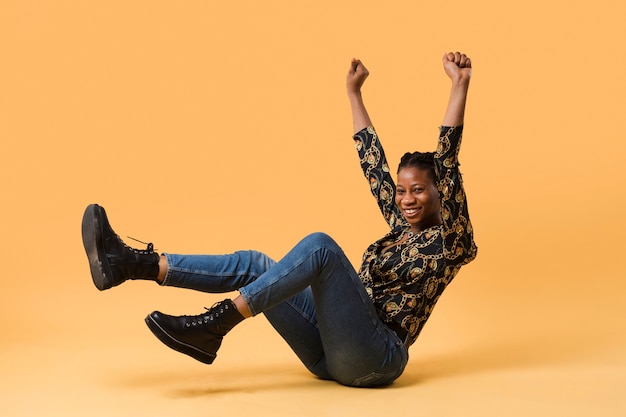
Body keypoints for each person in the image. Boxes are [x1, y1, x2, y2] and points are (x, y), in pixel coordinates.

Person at [81, 52, 477, 388]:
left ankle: (215, 324)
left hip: (375, 359)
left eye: (419, 190)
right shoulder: (401, 227)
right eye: (402, 190)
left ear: (442, 193)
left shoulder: (451, 240)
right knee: (255, 264)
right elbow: (372, 161)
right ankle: (132, 265)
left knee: (320, 247)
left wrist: (459, 85)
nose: (406, 199)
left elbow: (447, 159)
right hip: (330, 352)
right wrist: (354, 93)